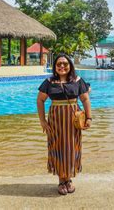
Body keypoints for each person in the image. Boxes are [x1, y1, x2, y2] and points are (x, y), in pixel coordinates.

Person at [37, 53, 92, 195]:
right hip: (56, 121)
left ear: (70, 66)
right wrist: (42, 120)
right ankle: (62, 180)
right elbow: (40, 100)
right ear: (55, 66)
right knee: (57, 148)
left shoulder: (78, 80)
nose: (62, 66)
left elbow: (85, 99)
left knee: (72, 148)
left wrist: (89, 118)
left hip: (73, 121)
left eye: (65, 64)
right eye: (59, 64)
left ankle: (68, 179)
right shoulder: (49, 82)